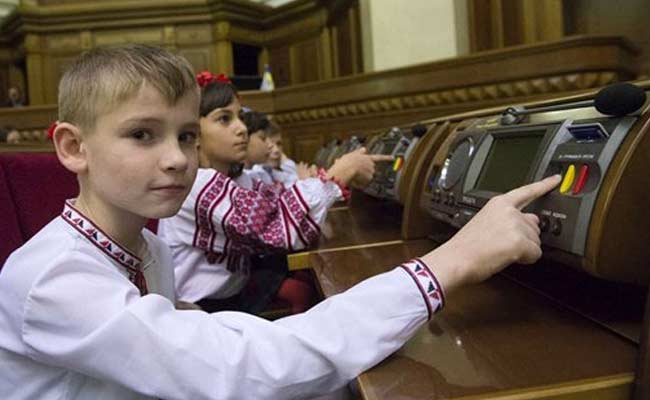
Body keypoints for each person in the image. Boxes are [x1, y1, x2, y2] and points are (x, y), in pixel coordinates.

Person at [0, 44, 561, 400]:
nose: (176, 158)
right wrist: (451, 261)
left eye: (186, 136)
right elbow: (237, 370)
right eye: (142, 134)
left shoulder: (146, 247)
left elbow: (203, 344)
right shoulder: (53, 280)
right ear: (74, 148)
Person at [157, 73, 387, 312]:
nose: (242, 129)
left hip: (234, 292)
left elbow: (276, 202)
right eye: (225, 119)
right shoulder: (196, 185)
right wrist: (340, 173)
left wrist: (325, 182)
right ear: (193, 133)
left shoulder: (237, 179)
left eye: (241, 117)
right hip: (206, 308)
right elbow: (277, 227)